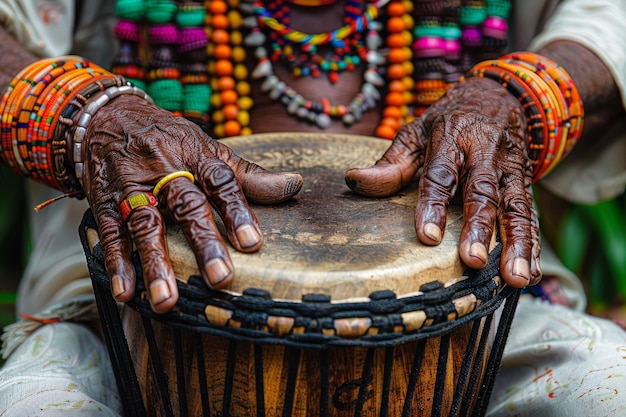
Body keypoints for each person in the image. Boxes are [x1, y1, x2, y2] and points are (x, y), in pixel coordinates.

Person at [0, 0, 624, 416]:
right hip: (129, 305)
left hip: (473, 315)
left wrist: (517, 96)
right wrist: (89, 118)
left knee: (606, 388)